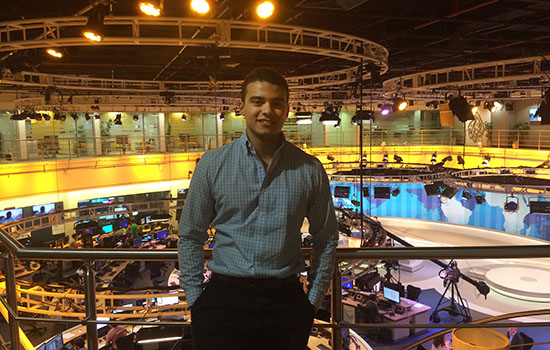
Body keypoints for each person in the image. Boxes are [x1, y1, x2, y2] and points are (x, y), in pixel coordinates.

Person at [178, 67, 338, 350]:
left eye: (277, 103)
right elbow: (190, 235)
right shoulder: (212, 165)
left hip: (286, 303)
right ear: (241, 106)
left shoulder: (310, 170)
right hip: (222, 303)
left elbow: (326, 239)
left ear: (287, 109)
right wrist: (195, 299)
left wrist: (311, 302)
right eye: (258, 101)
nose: (268, 110)